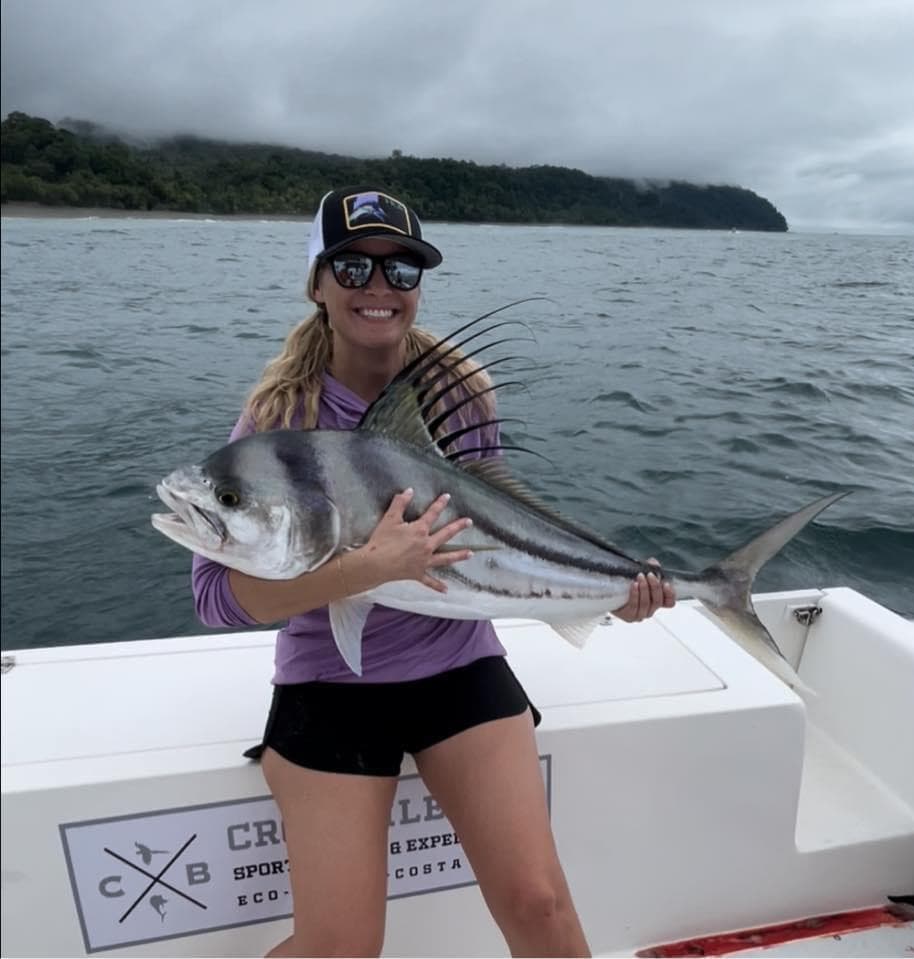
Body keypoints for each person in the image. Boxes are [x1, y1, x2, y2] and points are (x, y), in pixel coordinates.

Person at [192, 186, 677, 958]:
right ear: (316, 282)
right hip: (330, 683)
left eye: (402, 270)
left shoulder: (460, 395)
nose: (378, 288)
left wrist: (607, 587)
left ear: (420, 286)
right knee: (340, 947)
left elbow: (506, 529)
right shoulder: (278, 418)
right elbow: (215, 599)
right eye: (352, 267)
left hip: (458, 665)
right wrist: (361, 568)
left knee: (541, 903)